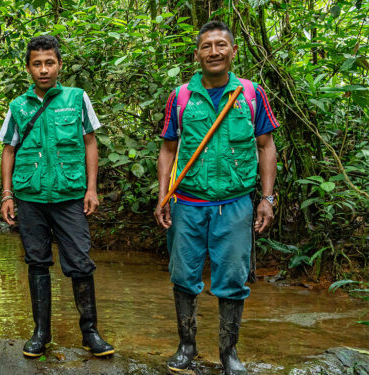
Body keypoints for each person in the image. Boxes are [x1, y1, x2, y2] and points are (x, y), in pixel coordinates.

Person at [154, 21, 279, 375]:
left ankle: (229, 354)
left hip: (235, 205)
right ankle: (187, 346)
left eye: (221, 44)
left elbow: (266, 146)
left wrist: (266, 198)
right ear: (197, 53)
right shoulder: (180, 97)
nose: (214, 51)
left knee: (233, 279)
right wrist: (162, 197)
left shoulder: (251, 95)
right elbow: (167, 150)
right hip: (188, 204)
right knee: (183, 275)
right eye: (207, 46)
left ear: (233, 51)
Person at [0, 35, 114, 358]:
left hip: (69, 196)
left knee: (80, 262)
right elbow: (8, 150)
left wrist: (92, 189)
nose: (44, 69)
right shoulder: (18, 106)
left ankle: (90, 333)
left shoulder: (77, 98)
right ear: (28, 68)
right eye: (37, 64)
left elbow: (90, 142)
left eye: (49, 63)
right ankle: (41, 333)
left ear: (60, 65)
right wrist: (7, 194)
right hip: (30, 196)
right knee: (36, 262)